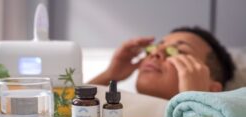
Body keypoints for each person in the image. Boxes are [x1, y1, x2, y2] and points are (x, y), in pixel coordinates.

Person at [89, 27, 235, 99]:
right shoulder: (114, 106)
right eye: (156, 47)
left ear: (212, 89)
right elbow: (70, 109)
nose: (155, 53)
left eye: (180, 51)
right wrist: (110, 75)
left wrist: (194, 98)